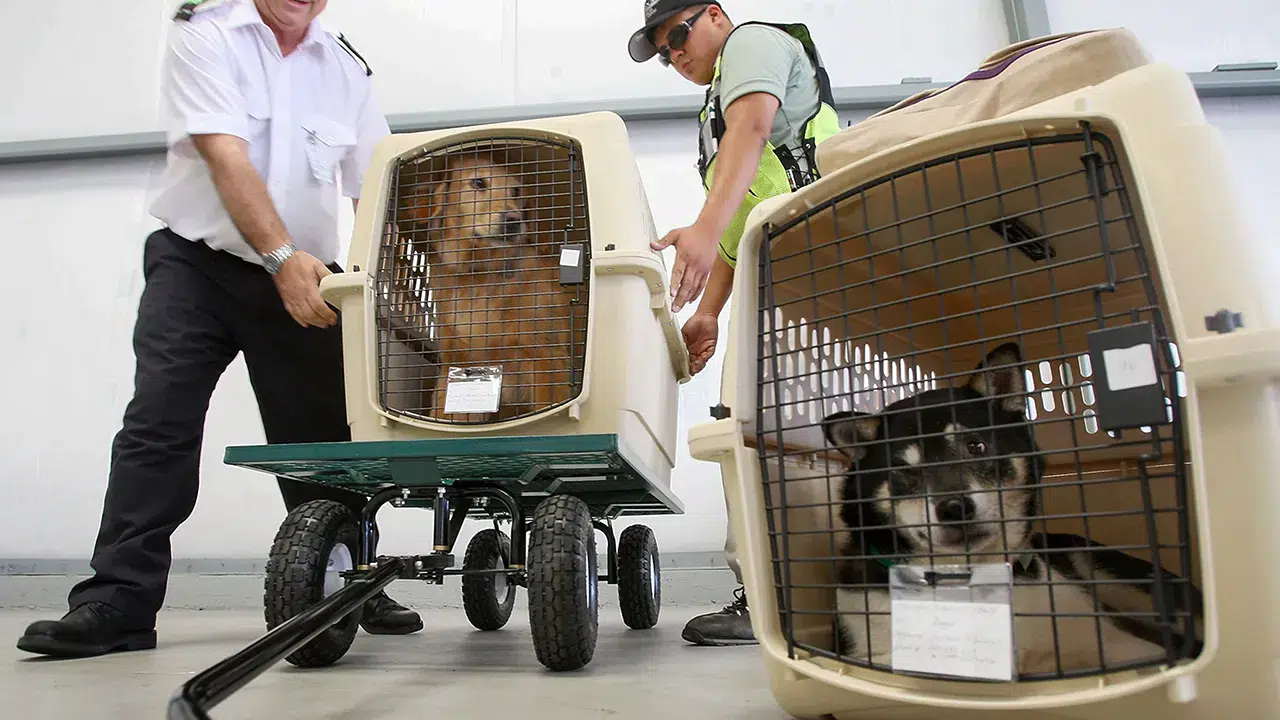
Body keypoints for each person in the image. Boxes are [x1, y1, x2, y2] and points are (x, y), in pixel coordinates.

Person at [17, 0, 422, 659]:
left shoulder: (347, 67)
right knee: (158, 423)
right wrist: (280, 258)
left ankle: (351, 582)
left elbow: (374, 185)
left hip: (309, 273)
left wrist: (382, 283)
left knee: (322, 438)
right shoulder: (204, 33)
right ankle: (117, 601)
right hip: (197, 266)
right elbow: (223, 155)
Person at [628, 1, 841, 646]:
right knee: (756, 426)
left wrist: (703, 227)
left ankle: (779, 598)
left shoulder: (751, 46)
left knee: (770, 427)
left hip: (819, 266)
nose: (674, 55)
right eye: (663, 52)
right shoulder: (712, 109)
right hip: (785, 277)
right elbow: (745, 212)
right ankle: (781, 592)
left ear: (714, 15)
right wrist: (710, 311)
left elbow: (750, 132)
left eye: (677, 36)